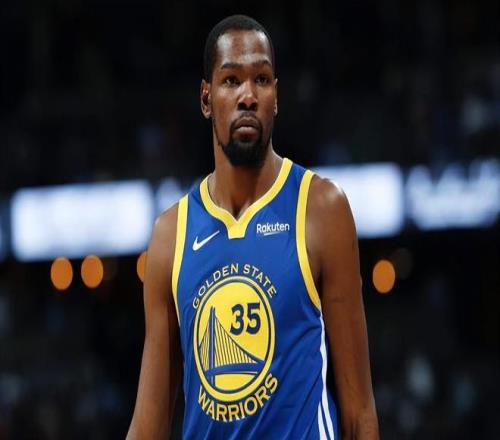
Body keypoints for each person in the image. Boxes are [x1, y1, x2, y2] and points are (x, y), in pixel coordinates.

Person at [127, 14, 379, 439]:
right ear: (206, 99)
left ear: (275, 97)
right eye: (231, 81)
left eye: (261, 79)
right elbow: (148, 426)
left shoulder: (321, 208)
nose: (247, 95)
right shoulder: (171, 234)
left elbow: (360, 413)